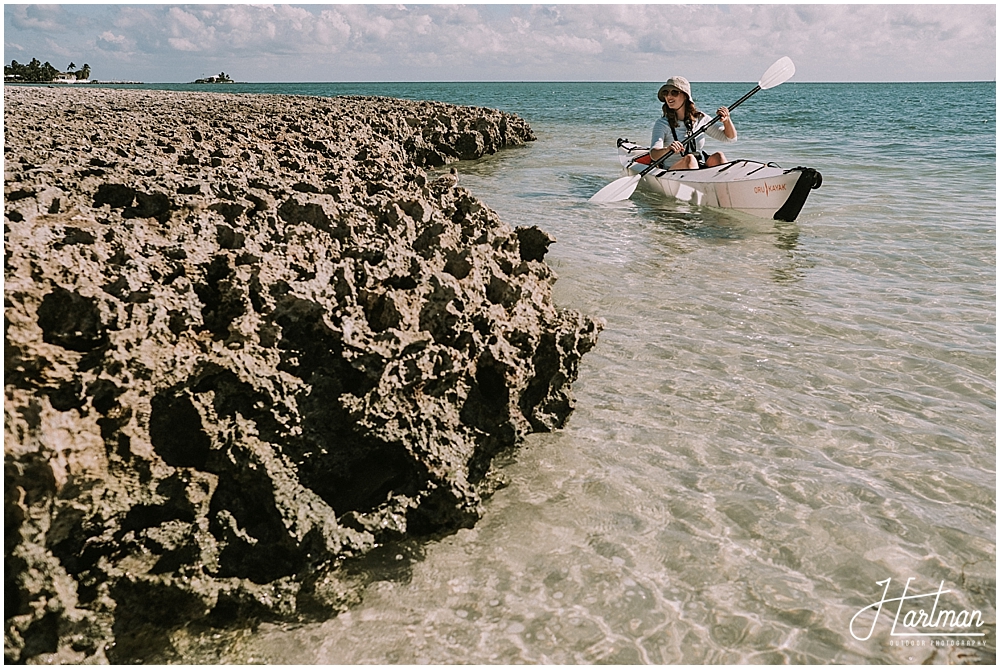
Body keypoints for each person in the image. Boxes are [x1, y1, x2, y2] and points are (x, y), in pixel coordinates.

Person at [649, 76, 736, 170]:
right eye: (665, 93)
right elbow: (654, 154)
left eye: (674, 92)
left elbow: (730, 138)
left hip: (699, 167)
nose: (669, 96)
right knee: (690, 159)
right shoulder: (662, 124)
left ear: (685, 96)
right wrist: (668, 149)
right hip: (673, 171)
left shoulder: (701, 119)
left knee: (719, 156)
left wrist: (727, 121)